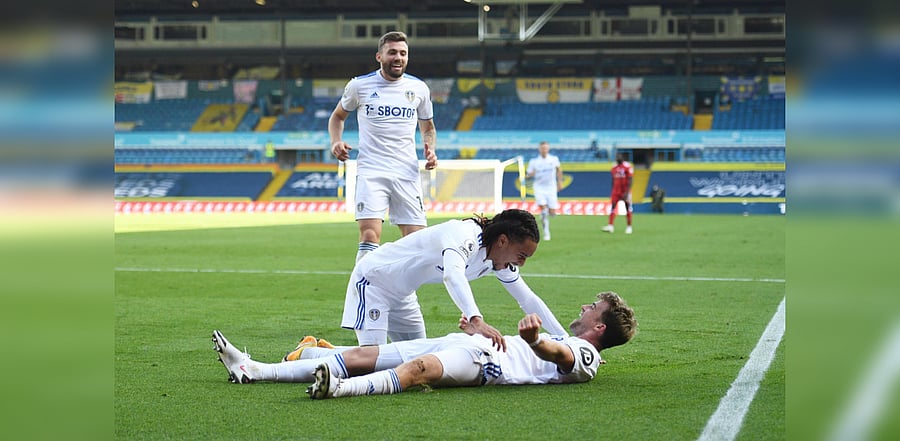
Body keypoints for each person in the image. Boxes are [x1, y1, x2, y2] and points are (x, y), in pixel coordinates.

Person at [210, 291, 637, 400]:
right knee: (359, 356)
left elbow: (559, 357)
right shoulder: (571, 338)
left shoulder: (587, 354)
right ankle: (253, 369)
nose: (584, 307)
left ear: (599, 328)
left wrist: (535, 340)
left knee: (419, 371)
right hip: (472, 344)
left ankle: (339, 389)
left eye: (592, 307)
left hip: (489, 367)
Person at [279, 209, 563, 357]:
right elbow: (453, 274)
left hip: (404, 295)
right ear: (503, 240)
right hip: (374, 281)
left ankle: (324, 350)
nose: (520, 263)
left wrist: (565, 339)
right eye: (522, 255)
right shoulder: (464, 234)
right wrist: (476, 319)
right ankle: (308, 354)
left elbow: (528, 300)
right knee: (369, 362)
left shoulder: (497, 260)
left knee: (413, 359)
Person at [328, 31, 438, 263]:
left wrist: (430, 149)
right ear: (379, 56)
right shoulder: (360, 85)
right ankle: (363, 294)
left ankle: (404, 296)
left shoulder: (419, 89)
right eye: (392, 53)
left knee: (416, 240)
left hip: (406, 172)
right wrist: (336, 141)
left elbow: (428, 127)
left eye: (403, 53)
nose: (398, 57)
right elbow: (337, 117)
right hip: (372, 171)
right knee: (369, 235)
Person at [526, 141, 562, 241]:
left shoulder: (553, 159)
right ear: (539, 149)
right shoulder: (534, 162)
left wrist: (560, 182)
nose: (544, 150)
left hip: (551, 187)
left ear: (548, 149)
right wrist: (531, 174)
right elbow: (528, 174)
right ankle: (546, 231)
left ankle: (546, 215)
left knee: (553, 212)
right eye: (542, 148)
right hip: (539, 187)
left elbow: (559, 170)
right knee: (544, 210)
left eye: (546, 148)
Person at [602, 153, 634, 234]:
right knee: (613, 207)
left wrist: (627, 192)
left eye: (618, 156)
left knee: (627, 208)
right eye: (616, 157)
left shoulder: (627, 166)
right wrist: (613, 190)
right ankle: (610, 226)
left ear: (622, 157)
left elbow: (630, 180)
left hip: (625, 191)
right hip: (616, 191)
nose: (617, 158)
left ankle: (629, 226)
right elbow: (613, 179)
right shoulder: (614, 167)